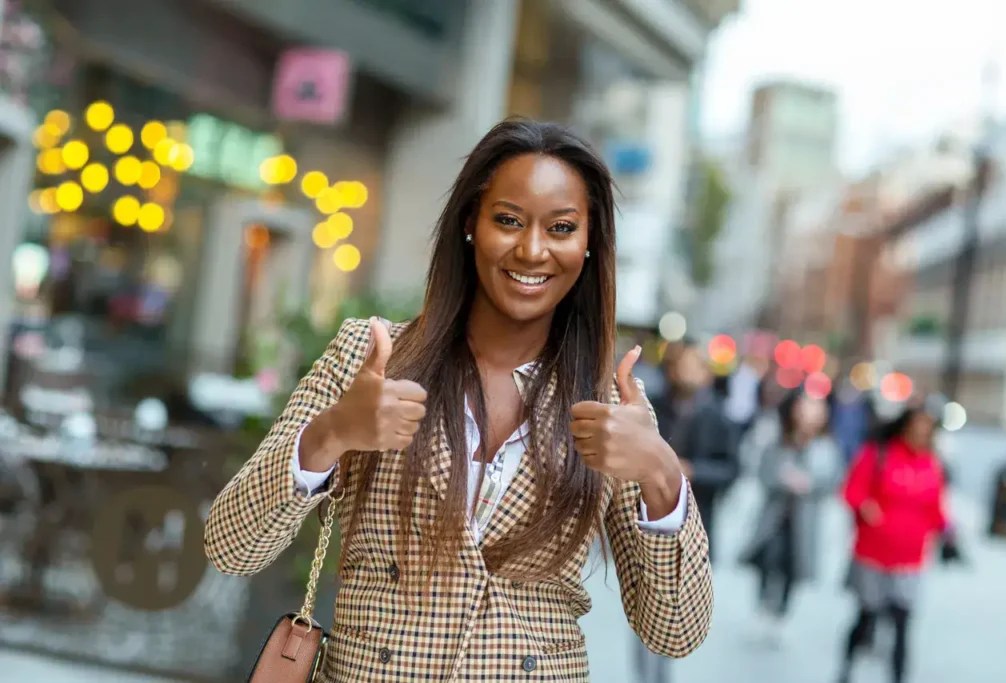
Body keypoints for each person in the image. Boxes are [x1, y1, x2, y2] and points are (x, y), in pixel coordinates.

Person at [204, 119, 712, 682]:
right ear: (471, 222)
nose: (533, 249)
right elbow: (232, 547)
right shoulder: (372, 356)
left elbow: (677, 631)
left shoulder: (613, 409)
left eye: (562, 227)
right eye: (509, 221)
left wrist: (661, 471)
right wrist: (330, 434)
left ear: (590, 243)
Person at [836, 393, 954, 683]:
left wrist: (950, 535)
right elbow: (852, 490)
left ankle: (898, 676)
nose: (922, 433)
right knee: (866, 617)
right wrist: (865, 506)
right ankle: (846, 669)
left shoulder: (931, 464)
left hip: (911, 557)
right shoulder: (879, 453)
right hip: (874, 552)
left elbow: (936, 508)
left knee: (903, 624)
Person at [740, 388, 840, 646]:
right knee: (769, 559)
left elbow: (833, 481)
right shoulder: (779, 439)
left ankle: (782, 613)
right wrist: (783, 479)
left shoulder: (826, 446)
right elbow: (762, 471)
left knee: (794, 567)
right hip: (776, 515)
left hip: (804, 519)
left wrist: (810, 484)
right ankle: (763, 605)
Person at [650, 338, 739, 559]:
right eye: (682, 365)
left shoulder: (718, 416)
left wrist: (694, 471)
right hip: (652, 514)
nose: (687, 372)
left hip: (697, 517)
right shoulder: (653, 406)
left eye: (695, 366)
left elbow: (731, 469)